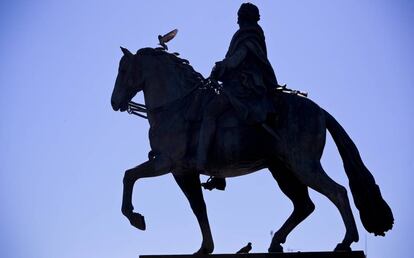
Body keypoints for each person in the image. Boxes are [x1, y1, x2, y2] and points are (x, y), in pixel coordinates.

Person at [198, 3, 280, 190]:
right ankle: (217, 173)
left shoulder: (248, 35)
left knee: (210, 112)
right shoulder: (254, 34)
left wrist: (221, 67)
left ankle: (204, 162)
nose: (236, 19)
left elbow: (237, 59)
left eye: (239, 15)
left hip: (243, 87)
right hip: (242, 83)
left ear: (244, 17)